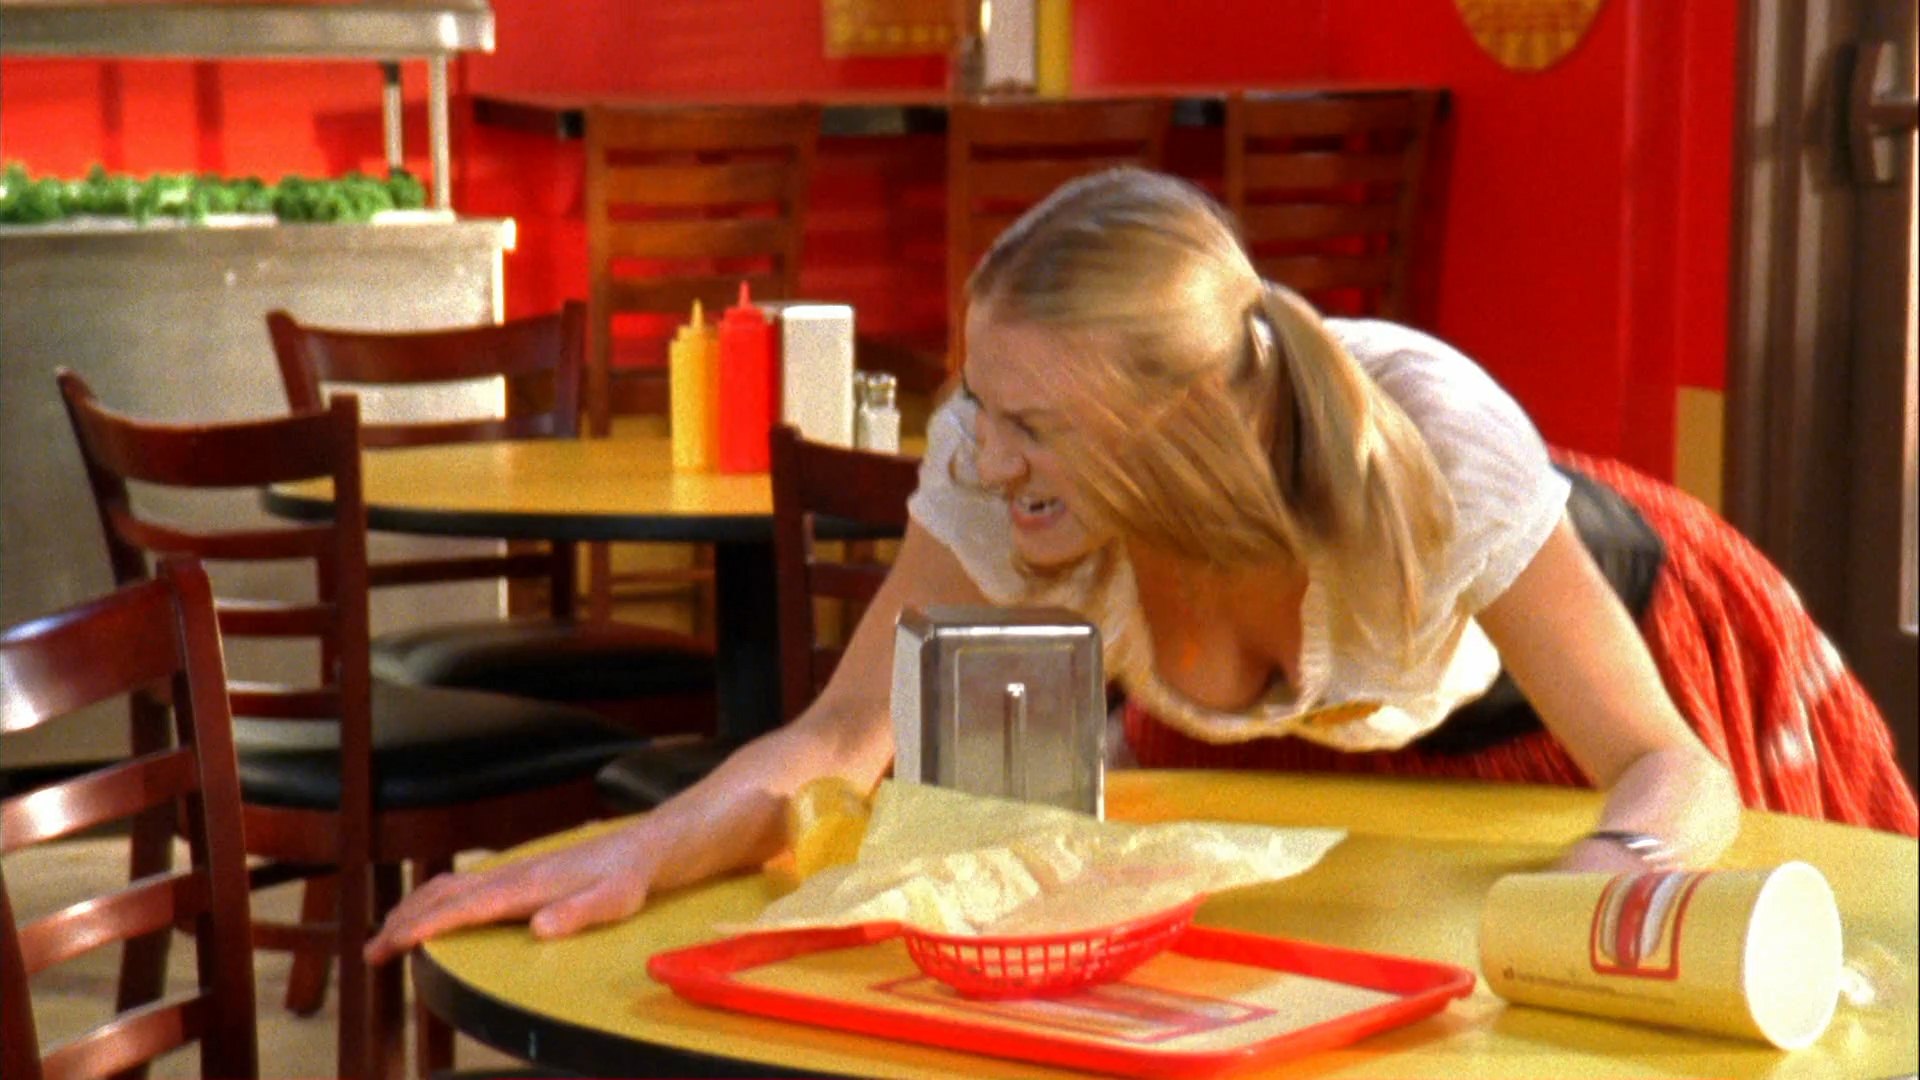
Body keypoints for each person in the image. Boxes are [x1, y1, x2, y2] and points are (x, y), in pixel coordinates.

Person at [366, 167, 1914, 963]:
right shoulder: (1001, 468)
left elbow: (1665, 765)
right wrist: (647, 845)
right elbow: (841, 738)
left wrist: (1604, 876)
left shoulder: (1438, 444)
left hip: (1598, 674)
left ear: (1181, 427)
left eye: (1032, 426)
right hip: (1315, 764)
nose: (981, 460)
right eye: (979, 404)